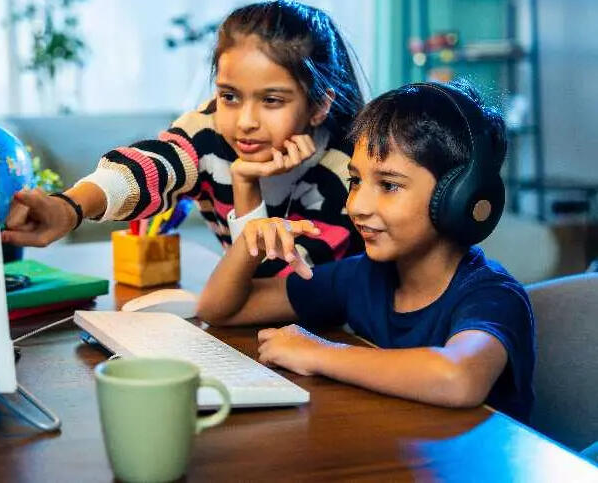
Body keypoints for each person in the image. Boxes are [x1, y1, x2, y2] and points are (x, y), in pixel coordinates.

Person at [196, 81, 536, 422]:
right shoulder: (362, 276)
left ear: (459, 197)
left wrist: (319, 352)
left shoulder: (493, 295)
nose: (356, 206)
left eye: (389, 185)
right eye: (355, 181)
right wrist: (249, 245)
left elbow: (458, 378)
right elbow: (221, 310)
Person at [1, 0, 366, 276]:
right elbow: (150, 168)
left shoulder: (345, 172)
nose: (245, 122)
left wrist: (245, 186)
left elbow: (272, 291)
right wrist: (69, 207)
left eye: (271, 100)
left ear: (319, 105)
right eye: (229, 96)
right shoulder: (210, 130)